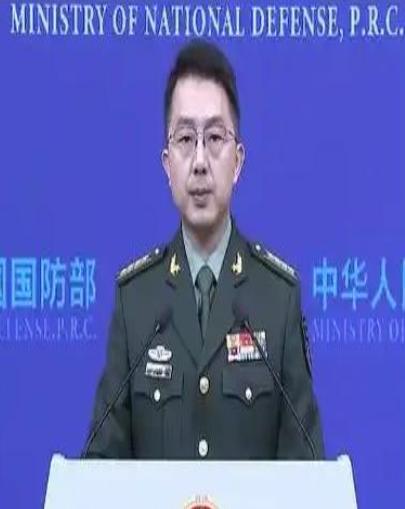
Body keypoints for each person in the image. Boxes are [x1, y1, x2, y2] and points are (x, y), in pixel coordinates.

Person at [85, 40, 324, 460]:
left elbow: (306, 469)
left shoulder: (277, 298)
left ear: (238, 161)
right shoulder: (136, 301)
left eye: (214, 138)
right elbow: (100, 465)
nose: (199, 161)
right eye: (185, 138)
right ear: (166, 163)